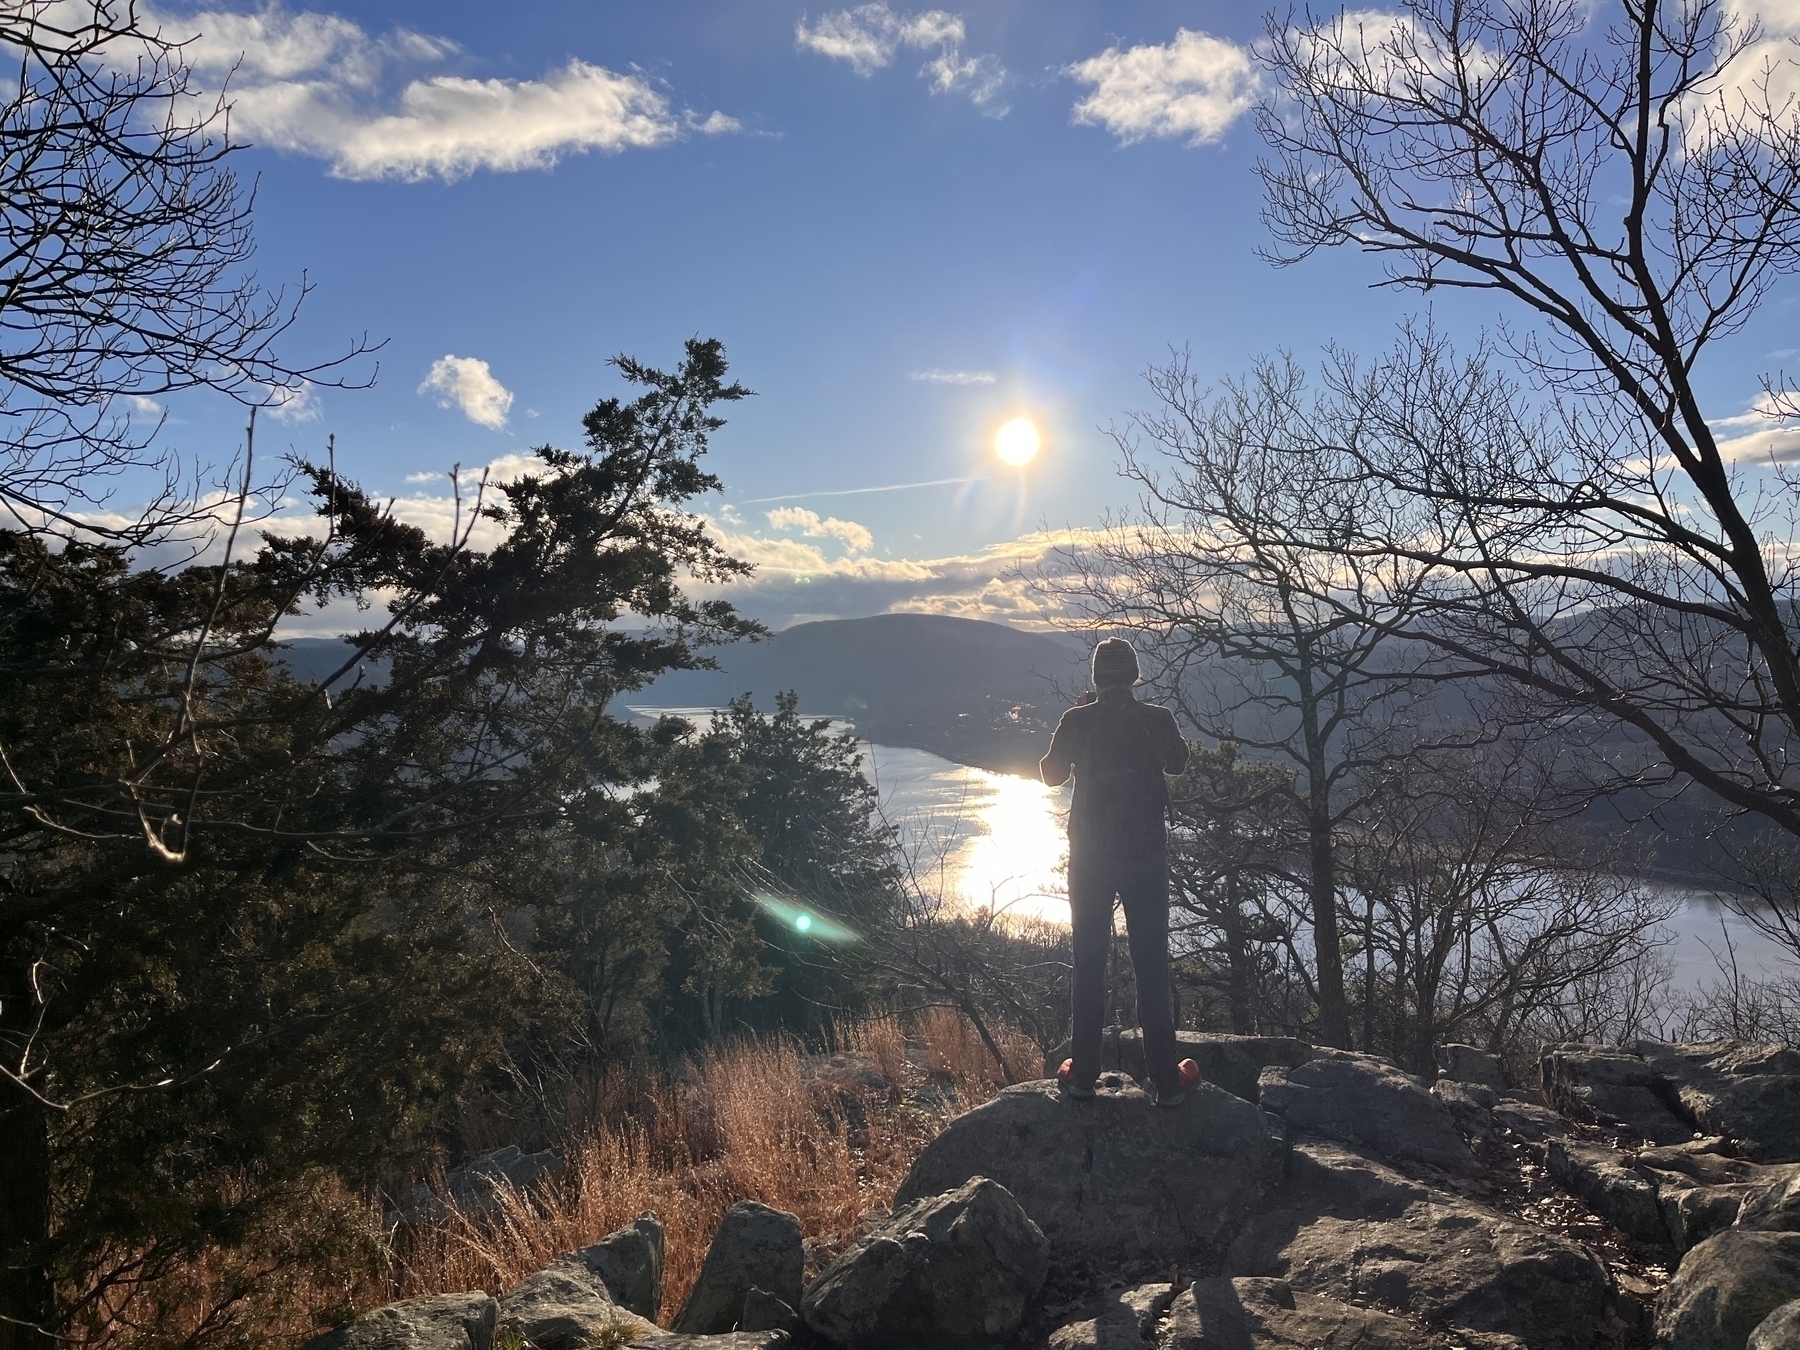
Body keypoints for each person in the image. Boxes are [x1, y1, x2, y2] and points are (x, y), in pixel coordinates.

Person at [1040, 637, 1199, 1106]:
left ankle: (1083, 1073)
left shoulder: (1077, 720)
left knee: (1089, 959)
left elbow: (1050, 775)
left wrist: (1073, 733)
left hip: (1090, 855)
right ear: (1133, 677)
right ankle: (1167, 1080)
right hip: (1146, 854)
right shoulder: (1156, 719)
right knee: (1151, 962)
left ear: (1096, 678)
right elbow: (1179, 762)